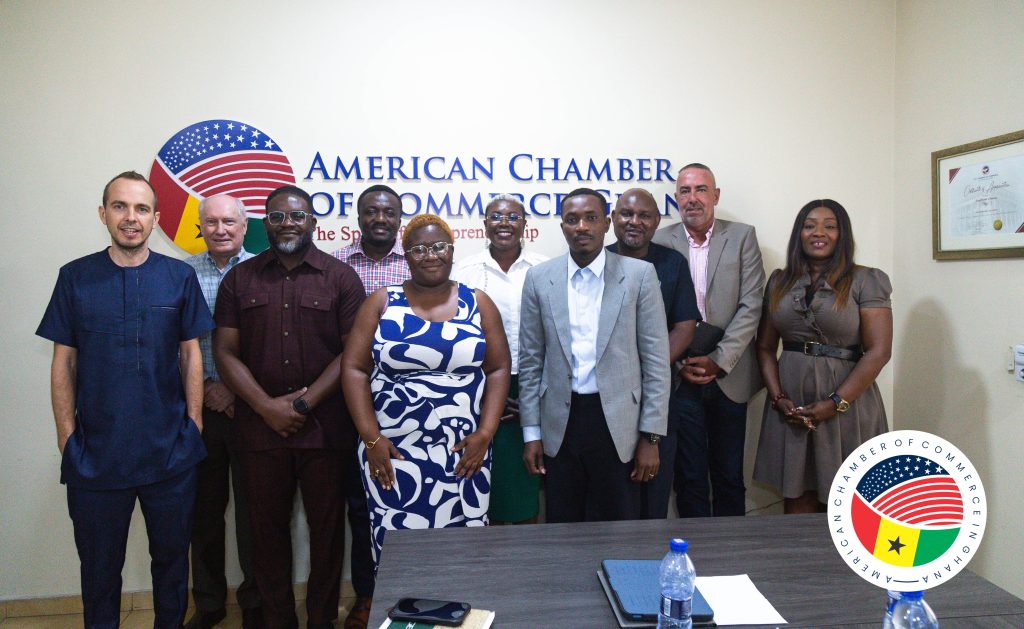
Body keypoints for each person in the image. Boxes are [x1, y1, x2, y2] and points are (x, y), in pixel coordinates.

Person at [36, 171, 212, 628]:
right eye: (120, 206)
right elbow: (63, 362)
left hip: (169, 452)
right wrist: (67, 439)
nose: (130, 217)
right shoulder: (75, 277)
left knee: (172, 565)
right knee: (99, 570)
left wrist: (193, 425)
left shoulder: (178, 276)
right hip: (96, 454)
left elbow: (191, 354)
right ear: (103, 214)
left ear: (155, 218)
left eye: (141, 209)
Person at [213, 185, 365, 629]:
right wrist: (266, 407)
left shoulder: (341, 278)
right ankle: (278, 621)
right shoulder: (239, 279)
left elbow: (353, 353)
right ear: (265, 223)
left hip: (325, 431)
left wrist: (300, 403)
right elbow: (224, 351)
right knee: (265, 536)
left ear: (312, 222)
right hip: (259, 432)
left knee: (327, 535)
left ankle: (321, 621)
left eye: (297, 216)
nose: (288, 224)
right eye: (277, 217)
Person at [340, 214, 511, 563]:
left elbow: (498, 369)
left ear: (452, 250)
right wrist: (371, 439)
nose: (430, 255)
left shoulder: (478, 302)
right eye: (419, 249)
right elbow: (354, 369)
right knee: (398, 546)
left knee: (462, 547)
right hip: (391, 450)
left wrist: (485, 433)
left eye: (438, 247)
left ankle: (462, 600)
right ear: (406, 255)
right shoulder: (382, 302)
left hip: (464, 450)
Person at [520, 187, 671, 523]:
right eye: (572, 219)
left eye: (591, 218)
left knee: (619, 526)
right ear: (563, 226)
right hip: (560, 424)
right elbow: (531, 361)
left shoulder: (639, 276)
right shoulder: (539, 279)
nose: (582, 227)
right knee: (563, 525)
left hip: (619, 425)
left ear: (607, 222)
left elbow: (657, 363)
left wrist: (651, 437)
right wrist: (531, 434)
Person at [753, 199, 893, 513]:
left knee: (849, 505)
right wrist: (778, 398)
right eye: (809, 225)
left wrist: (835, 403)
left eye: (830, 226)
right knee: (796, 501)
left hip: (848, 404)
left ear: (842, 234)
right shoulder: (779, 281)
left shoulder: (866, 280)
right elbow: (764, 347)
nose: (819, 233)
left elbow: (879, 351)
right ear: (798, 234)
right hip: (791, 407)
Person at [652, 163, 766, 518]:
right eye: (685, 191)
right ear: (676, 198)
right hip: (680, 373)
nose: (693, 198)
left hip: (730, 374)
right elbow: (652, 313)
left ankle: (731, 547)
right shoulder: (660, 241)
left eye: (701, 189)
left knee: (729, 474)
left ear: (715, 195)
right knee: (688, 477)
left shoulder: (742, 236)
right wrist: (677, 361)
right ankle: (694, 546)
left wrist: (719, 359)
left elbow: (752, 303)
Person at [330, 185, 408, 628]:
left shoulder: (418, 259)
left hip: (410, 404)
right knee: (362, 503)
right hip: (351, 399)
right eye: (371, 211)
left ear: (399, 218)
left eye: (388, 212)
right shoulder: (337, 264)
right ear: (358, 217)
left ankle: (413, 588)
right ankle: (367, 594)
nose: (380, 218)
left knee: (410, 496)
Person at [183, 194, 261, 629]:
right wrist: (209, 389)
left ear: (244, 225)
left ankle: (255, 603)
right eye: (211, 222)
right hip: (200, 410)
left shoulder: (263, 271)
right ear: (201, 227)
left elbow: (270, 342)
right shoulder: (182, 274)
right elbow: (176, 342)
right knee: (204, 515)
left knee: (256, 515)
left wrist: (234, 389)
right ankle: (210, 603)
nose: (220, 229)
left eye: (229, 221)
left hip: (251, 410)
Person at [452, 194, 549, 525]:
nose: (504, 223)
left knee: (526, 482)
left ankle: (525, 554)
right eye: (495, 217)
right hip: (480, 386)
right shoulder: (464, 272)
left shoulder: (544, 268)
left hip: (533, 384)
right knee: (482, 481)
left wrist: (535, 398)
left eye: (512, 217)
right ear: (484, 224)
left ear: (525, 225)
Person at [607, 188, 700, 519]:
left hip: (657, 394)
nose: (635, 221)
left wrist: (646, 370)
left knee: (653, 497)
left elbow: (684, 327)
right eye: (626, 214)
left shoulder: (672, 263)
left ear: (657, 221)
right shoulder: (596, 262)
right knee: (611, 498)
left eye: (644, 215)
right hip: (607, 399)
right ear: (613, 218)